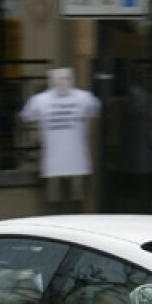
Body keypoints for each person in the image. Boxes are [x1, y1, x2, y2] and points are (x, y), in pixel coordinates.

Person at [20, 67, 101, 212]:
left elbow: (26, 116)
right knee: (63, 189)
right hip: (67, 156)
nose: (62, 83)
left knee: (72, 189)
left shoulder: (41, 100)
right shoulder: (83, 98)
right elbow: (96, 110)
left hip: (62, 156)